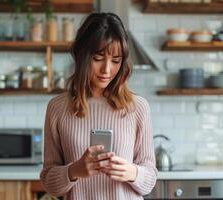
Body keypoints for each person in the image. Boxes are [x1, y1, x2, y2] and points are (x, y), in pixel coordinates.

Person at [40, 12, 157, 199]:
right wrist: (74, 170)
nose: (107, 69)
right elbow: (49, 182)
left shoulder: (138, 107)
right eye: (98, 58)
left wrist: (132, 173)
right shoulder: (57, 108)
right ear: (82, 56)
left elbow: (150, 180)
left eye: (116, 60)